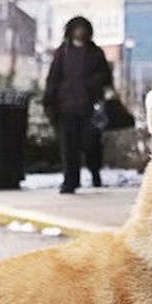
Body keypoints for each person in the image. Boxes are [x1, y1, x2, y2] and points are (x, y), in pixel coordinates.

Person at [43, 16, 113, 194]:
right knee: (68, 147)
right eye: (77, 28)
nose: (80, 32)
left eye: (83, 29)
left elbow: (106, 77)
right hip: (66, 108)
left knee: (91, 144)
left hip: (89, 108)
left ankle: (95, 173)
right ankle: (70, 182)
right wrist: (49, 100)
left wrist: (92, 86)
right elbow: (53, 78)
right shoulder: (62, 53)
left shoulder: (95, 53)